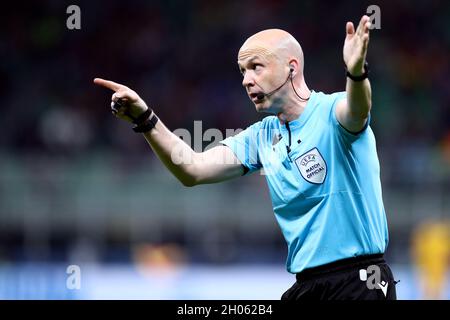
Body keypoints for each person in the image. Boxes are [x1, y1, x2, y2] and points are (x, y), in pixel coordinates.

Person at [94, 15, 397, 300]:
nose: (246, 80)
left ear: (291, 67)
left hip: (360, 280)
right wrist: (145, 118)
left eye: (256, 67)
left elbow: (358, 109)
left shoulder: (332, 112)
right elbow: (192, 169)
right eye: (242, 72)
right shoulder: (261, 136)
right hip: (307, 285)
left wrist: (356, 72)